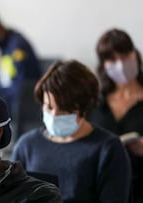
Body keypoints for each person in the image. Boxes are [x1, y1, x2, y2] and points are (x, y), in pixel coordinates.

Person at [11, 60, 132, 202]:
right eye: (48, 107)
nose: (54, 115)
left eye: (63, 109)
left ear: (84, 108)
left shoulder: (108, 149)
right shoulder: (26, 146)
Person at [89, 28, 143, 202]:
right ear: (103, 65)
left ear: (135, 54)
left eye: (125, 55)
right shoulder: (94, 102)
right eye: (112, 59)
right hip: (102, 189)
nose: (120, 64)